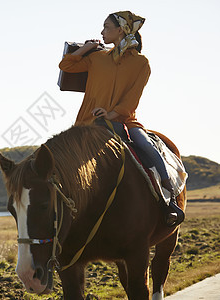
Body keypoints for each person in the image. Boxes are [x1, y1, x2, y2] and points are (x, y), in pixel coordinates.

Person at [58, 11, 181, 226]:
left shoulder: (142, 64)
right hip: (87, 123)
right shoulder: (96, 57)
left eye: (106, 27)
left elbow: (132, 100)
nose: (102, 31)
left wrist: (111, 114)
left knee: (149, 149)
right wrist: (86, 48)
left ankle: (169, 201)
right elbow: (66, 66)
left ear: (121, 30)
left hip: (124, 121)